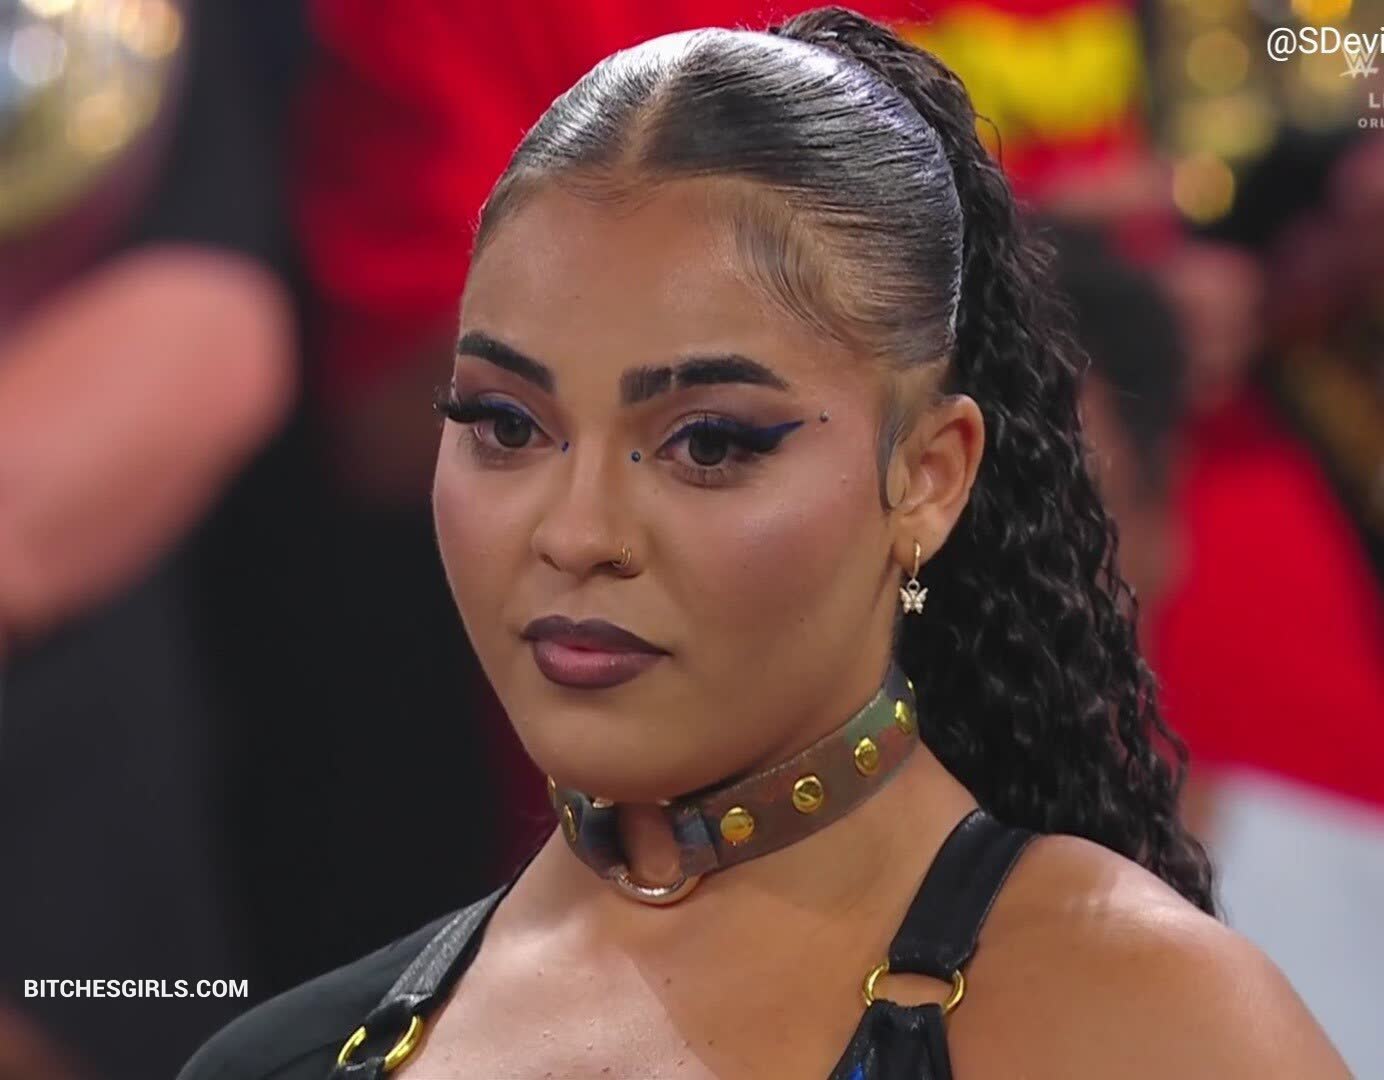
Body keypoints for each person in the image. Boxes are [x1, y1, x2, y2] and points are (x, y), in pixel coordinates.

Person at [177, 9, 1348, 1078]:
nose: (577, 533)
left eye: (709, 443)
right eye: (505, 425)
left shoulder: (1146, 1028)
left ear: (927, 478)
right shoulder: (296, 1058)